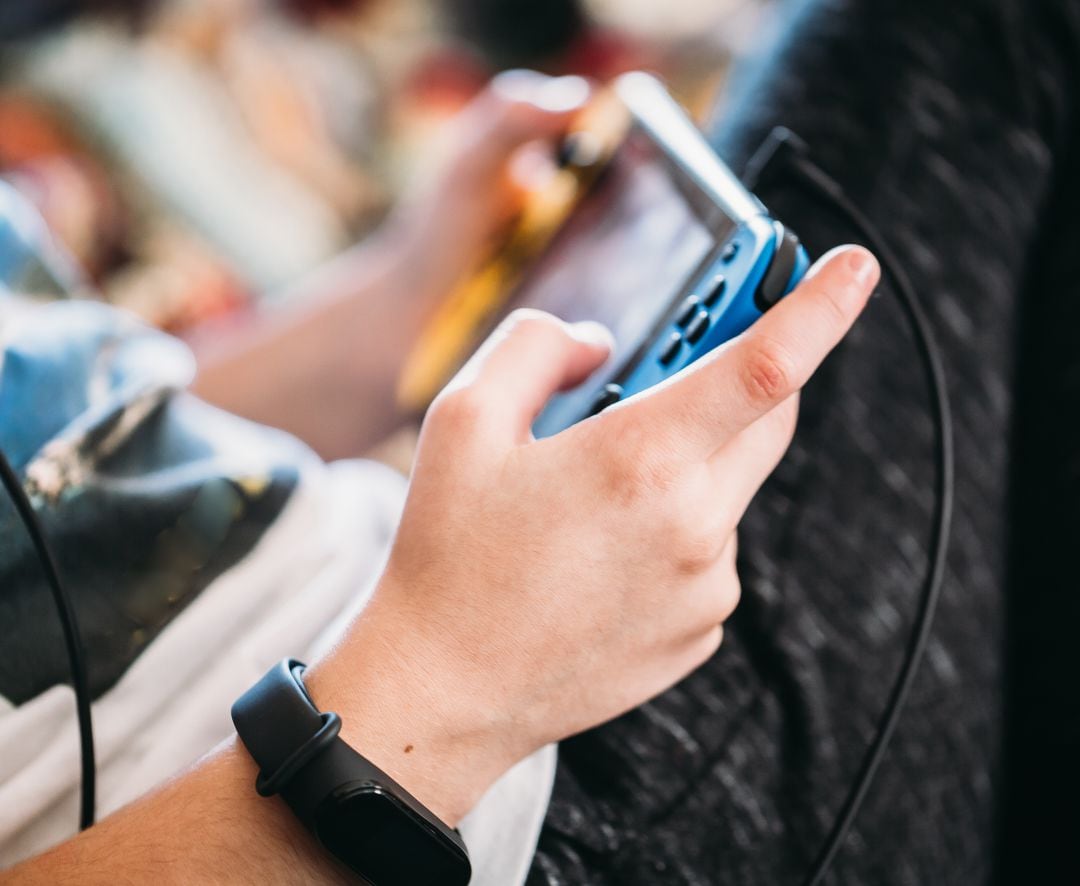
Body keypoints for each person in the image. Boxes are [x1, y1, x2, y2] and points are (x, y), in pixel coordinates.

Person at [0, 1, 1073, 884]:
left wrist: (393, 314)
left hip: (415, 642)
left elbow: (72, 472)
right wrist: (444, 683)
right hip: (447, 804)